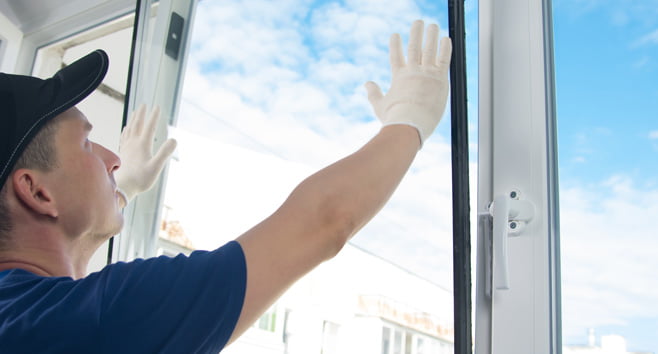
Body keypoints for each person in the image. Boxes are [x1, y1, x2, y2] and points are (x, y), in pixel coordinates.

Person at [0, 19, 452, 353]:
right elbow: (322, 222)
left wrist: (122, 192)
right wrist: (408, 121)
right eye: (86, 143)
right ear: (37, 192)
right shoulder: (92, 319)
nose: (113, 157)